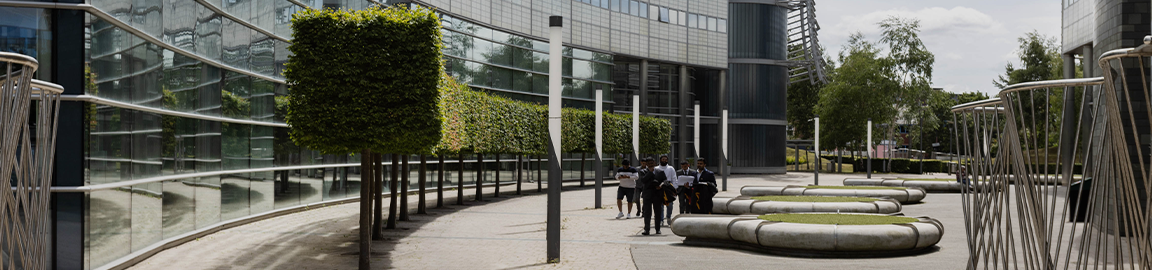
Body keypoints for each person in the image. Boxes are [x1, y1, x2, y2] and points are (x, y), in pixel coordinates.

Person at [639, 157, 665, 235]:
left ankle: (658, 229)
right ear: (646, 164)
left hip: (657, 194)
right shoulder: (643, 171)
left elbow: (665, 180)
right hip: (647, 194)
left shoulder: (660, 171)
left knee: (657, 212)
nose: (651, 164)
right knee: (647, 212)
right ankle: (647, 229)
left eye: (652, 162)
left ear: (655, 163)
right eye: (649, 163)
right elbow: (643, 180)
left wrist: (661, 185)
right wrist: (650, 172)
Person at [655, 155, 677, 226]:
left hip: (668, 187)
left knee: (669, 204)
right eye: (663, 159)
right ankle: (661, 220)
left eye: (665, 159)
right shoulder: (656, 168)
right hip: (659, 188)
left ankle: (668, 217)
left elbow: (674, 178)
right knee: (660, 205)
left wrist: (674, 189)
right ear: (660, 160)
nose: (664, 160)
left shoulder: (671, 168)